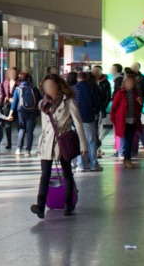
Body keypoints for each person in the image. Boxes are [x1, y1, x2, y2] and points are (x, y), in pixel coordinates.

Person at [30, 74, 88, 219]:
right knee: (45, 174)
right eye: (45, 86)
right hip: (47, 142)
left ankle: (68, 204)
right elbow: (44, 126)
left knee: (67, 173)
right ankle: (40, 206)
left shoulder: (68, 102)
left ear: (58, 85)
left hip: (63, 141)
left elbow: (78, 123)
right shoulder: (44, 103)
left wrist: (83, 144)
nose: (48, 89)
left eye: (51, 85)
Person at [111, 73, 143, 168]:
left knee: (130, 140)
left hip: (133, 120)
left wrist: (140, 103)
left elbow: (138, 108)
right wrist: (113, 119)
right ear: (124, 83)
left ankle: (127, 159)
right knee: (126, 140)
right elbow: (114, 107)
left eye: (132, 82)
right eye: (128, 82)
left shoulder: (136, 93)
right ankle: (127, 159)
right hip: (123, 121)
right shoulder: (120, 93)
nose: (130, 84)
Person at [73, 71, 102, 171]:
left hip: (76, 119)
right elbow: (96, 103)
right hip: (88, 118)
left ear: (77, 78)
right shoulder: (91, 88)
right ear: (86, 78)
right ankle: (94, 164)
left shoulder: (73, 89)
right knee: (91, 142)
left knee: (78, 141)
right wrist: (95, 111)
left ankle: (80, 165)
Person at [10, 72, 40, 157]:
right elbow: (39, 99)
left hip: (21, 111)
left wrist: (10, 114)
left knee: (22, 129)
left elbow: (14, 103)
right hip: (32, 111)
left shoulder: (18, 89)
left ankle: (18, 148)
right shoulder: (34, 88)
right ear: (29, 79)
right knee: (30, 131)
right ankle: (28, 150)